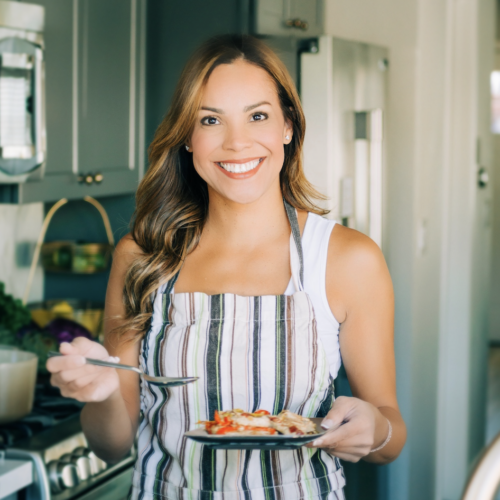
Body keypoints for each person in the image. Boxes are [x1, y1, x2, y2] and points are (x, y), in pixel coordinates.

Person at [47, 34, 406, 499]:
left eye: (257, 116)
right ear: (187, 139)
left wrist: (374, 429)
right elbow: (112, 445)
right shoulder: (143, 256)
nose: (237, 143)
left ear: (287, 127)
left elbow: (389, 436)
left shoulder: (347, 259)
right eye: (210, 120)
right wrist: (100, 395)